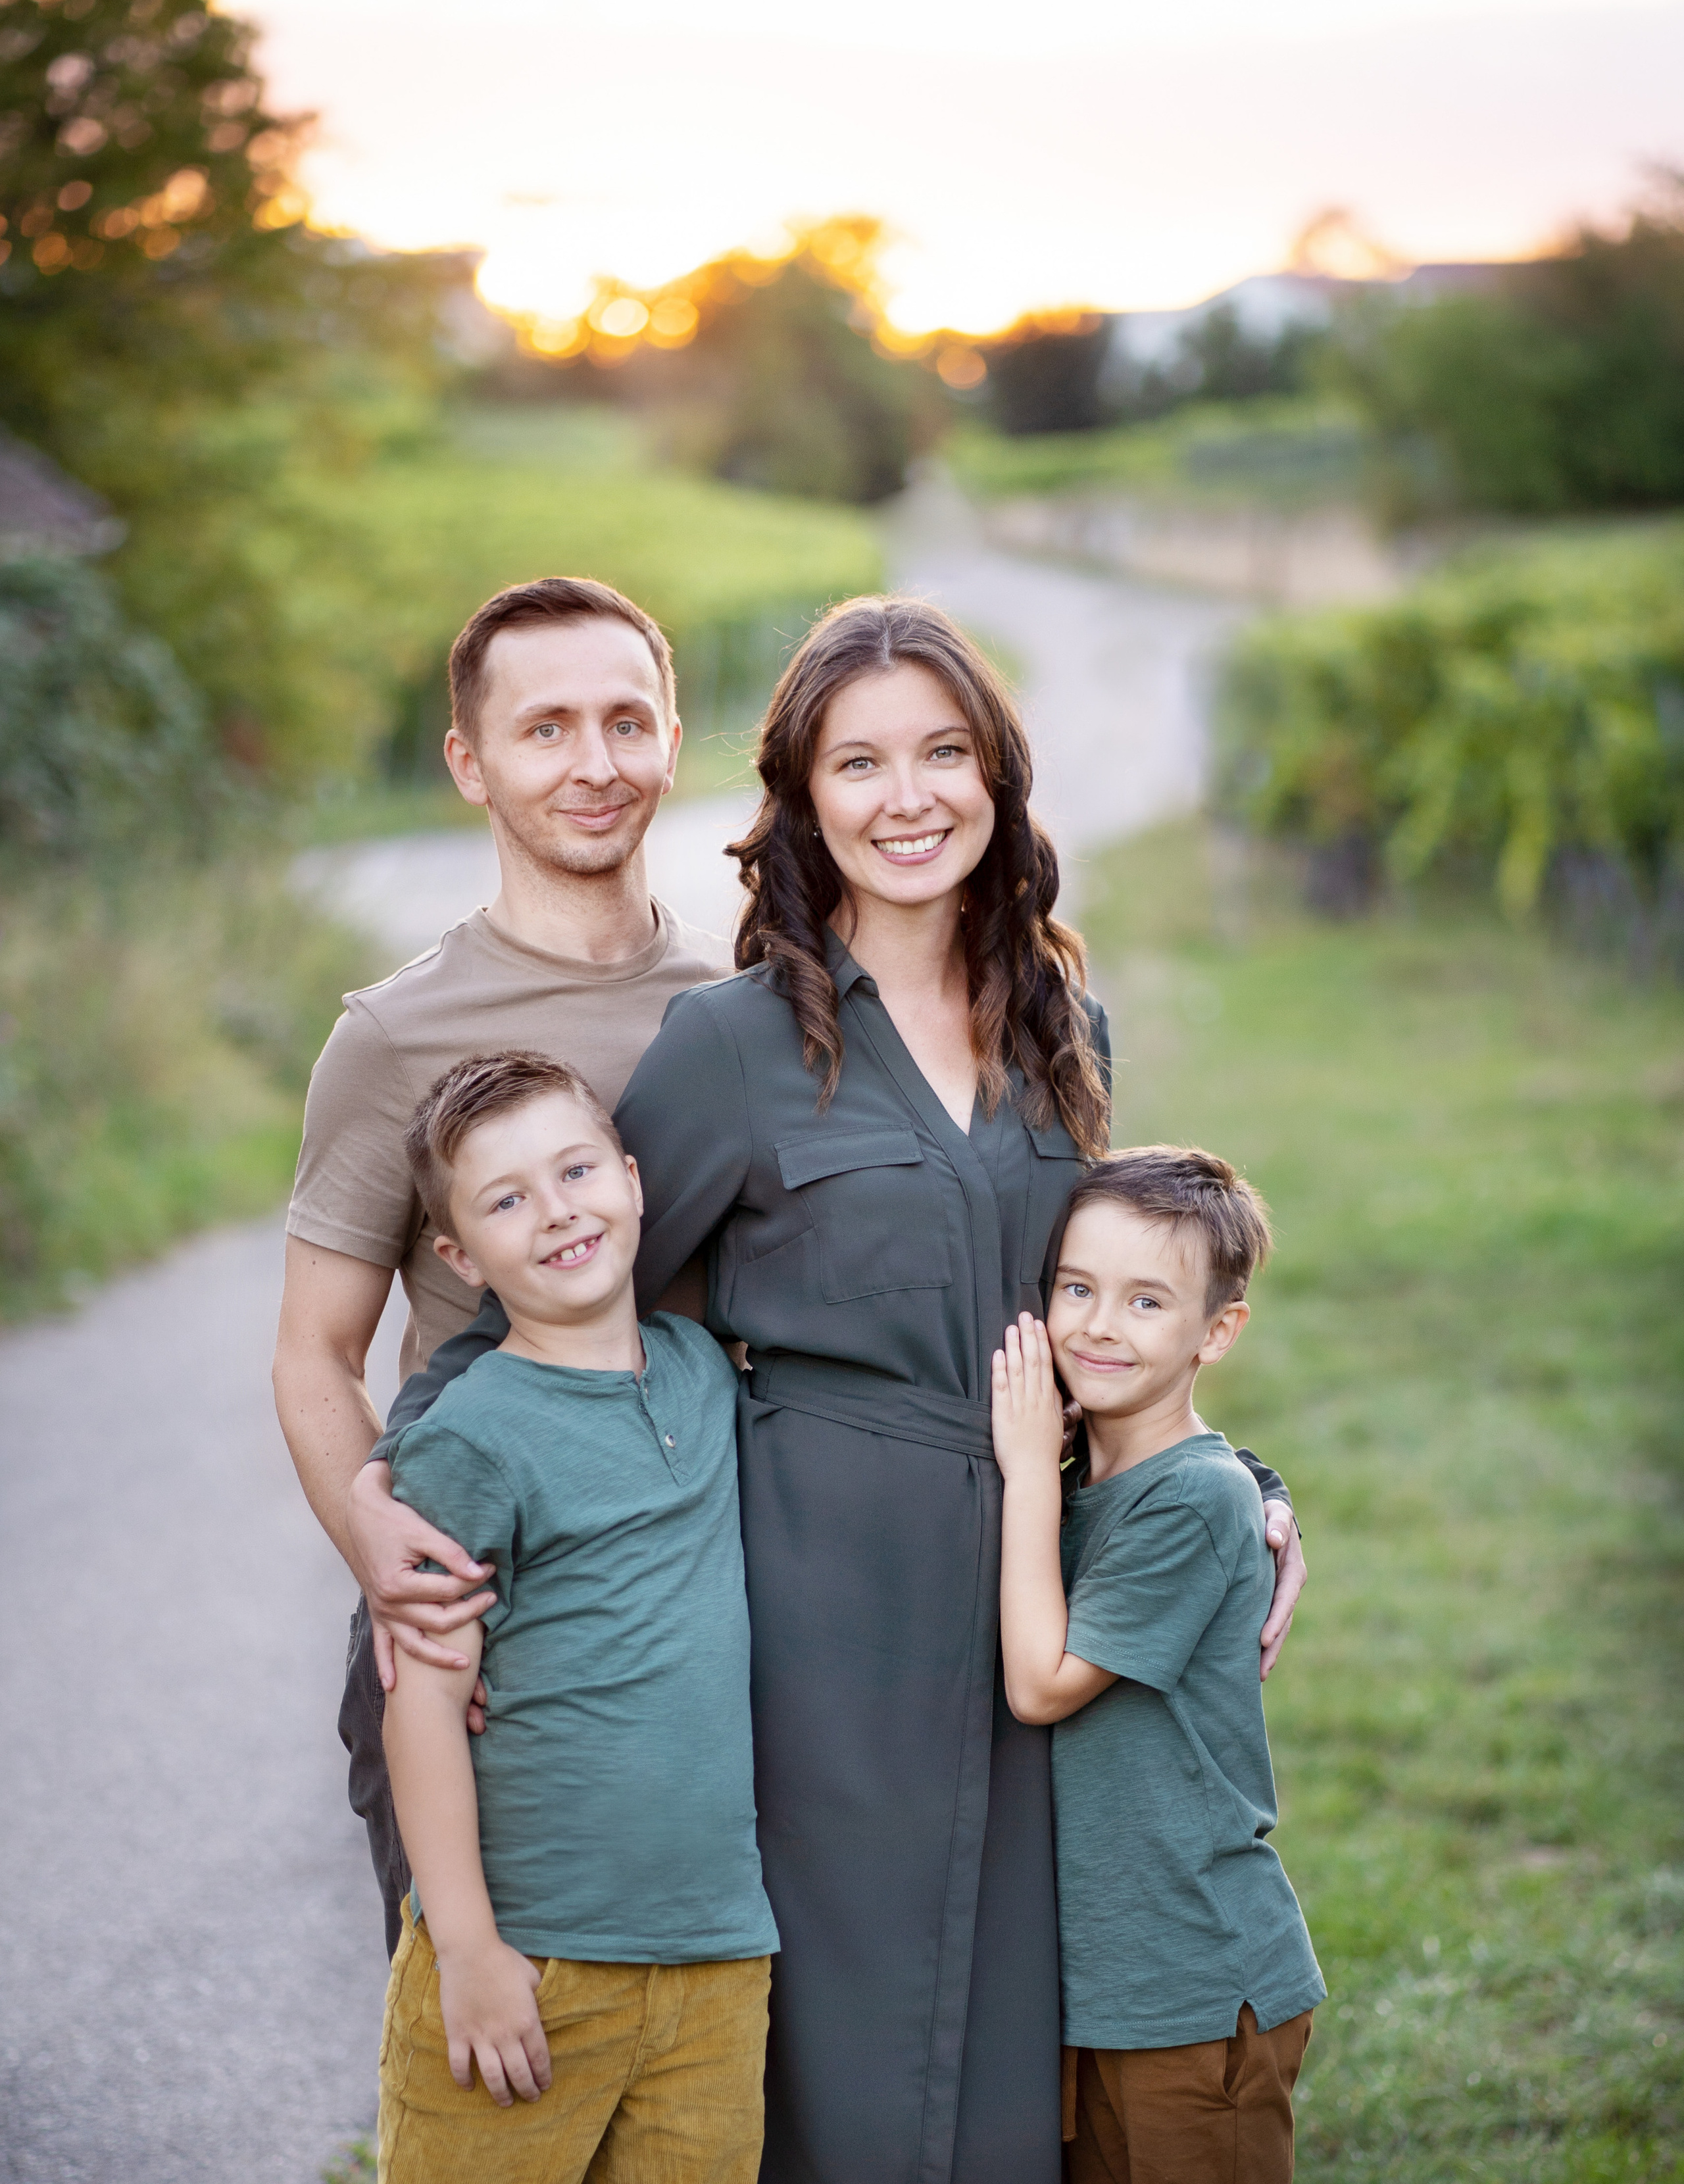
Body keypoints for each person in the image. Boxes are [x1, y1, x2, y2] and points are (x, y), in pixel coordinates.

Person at [370, 596, 1308, 2183]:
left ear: (999, 782)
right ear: (802, 803)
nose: (907, 796)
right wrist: (432, 1530)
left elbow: (1114, 1309)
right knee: (835, 2043)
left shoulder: (1062, 1024)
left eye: (944, 753)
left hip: (1027, 1590)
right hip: (811, 1608)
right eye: (856, 763)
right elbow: (559, 1305)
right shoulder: (729, 1046)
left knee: (1018, 2023)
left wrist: (1245, 1486)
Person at [273, 576, 732, 1955]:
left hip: (685, 1621)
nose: (594, 766)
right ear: (469, 762)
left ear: (669, 738)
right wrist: (376, 1540)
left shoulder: (740, 1014)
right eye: (545, 731)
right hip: (484, 1623)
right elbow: (312, 1349)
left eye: (626, 722)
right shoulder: (395, 1035)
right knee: (476, 2042)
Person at [377, 1049, 776, 2181]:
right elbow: (421, 1700)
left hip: (717, 1957)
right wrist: (467, 1949)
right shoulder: (472, 1434)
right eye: (508, 1201)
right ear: (460, 1257)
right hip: (532, 1957)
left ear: (636, 1180)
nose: (558, 1213)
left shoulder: (704, 1370)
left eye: (577, 1172)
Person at [991, 1147, 1325, 2184]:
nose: (1097, 1324)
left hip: (1193, 1979)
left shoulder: (1194, 1499)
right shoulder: (1088, 1473)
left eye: (1146, 1302)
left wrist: (1023, 1472)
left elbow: (1042, 1685)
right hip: (1106, 1991)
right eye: (1077, 1288)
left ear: (1215, 1332)